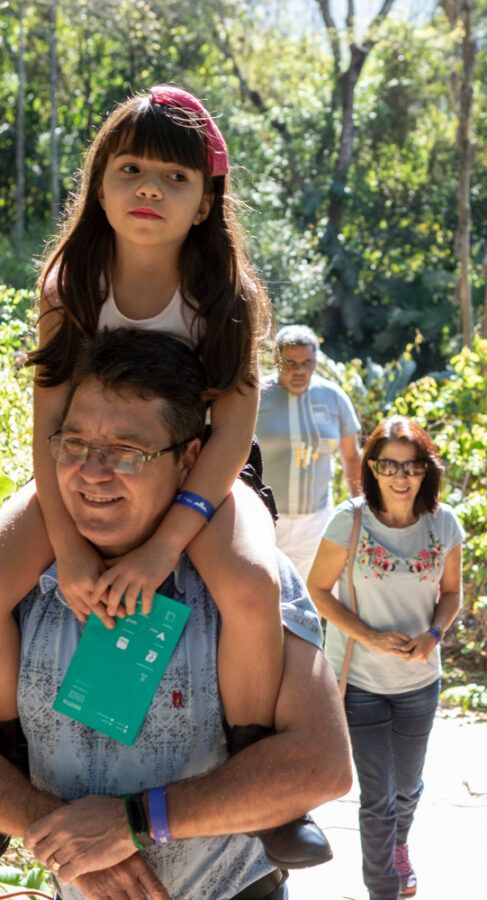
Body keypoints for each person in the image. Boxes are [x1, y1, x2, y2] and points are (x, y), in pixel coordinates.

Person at [0, 85, 325, 866]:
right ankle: (10, 751)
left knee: (250, 584)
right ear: (98, 186)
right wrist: (68, 550)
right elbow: (48, 422)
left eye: (175, 177)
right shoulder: (69, 286)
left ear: (205, 202)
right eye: (131, 169)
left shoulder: (223, 296)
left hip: (202, 472)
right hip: (80, 463)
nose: (149, 188)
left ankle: (257, 758)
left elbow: (234, 428)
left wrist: (166, 543)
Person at [0, 328, 352, 900]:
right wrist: (57, 835)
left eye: (128, 451)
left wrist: (135, 822)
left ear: (190, 459)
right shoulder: (24, 584)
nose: (92, 471)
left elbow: (321, 764)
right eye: (75, 443)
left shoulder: (243, 581)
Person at [307, 416, 464, 900]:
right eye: (389, 465)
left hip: (419, 681)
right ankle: (383, 889)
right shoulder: (349, 521)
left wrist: (434, 634)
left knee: (407, 789)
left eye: (412, 465)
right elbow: (318, 590)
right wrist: (369, 637)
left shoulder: (443, 523)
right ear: (371, 468)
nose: (401, 476)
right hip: (360, 682)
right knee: (378, 798)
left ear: (426, 469)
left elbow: (452, 593)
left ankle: (399, 846)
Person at [257, 324, 362, 580]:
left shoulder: (333, 397)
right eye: (291, 363)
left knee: (312, 595)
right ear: (276, 359)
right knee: (265, 592)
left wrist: (360, 511)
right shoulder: (256, 396)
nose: (300, 371)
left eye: (307, 363)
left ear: (316, 361)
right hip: (264, 519)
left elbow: (351, 457)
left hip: (317, 522)